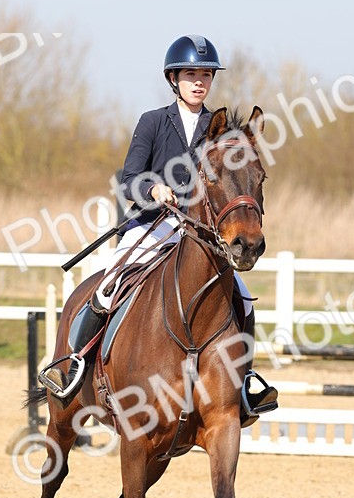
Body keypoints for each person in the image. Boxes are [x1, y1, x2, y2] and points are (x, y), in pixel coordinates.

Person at [44, 35, 278, 422]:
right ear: (174, 78)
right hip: (150, 225)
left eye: (206, 74)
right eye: (191, 74)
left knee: (244, 297)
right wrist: (153, 188)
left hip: (200, 234)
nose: (199, 81)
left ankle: (246, 379)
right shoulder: (153, 122)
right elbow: (129, 178)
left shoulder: (217, 128)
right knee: (107, 287)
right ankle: (73, 365)